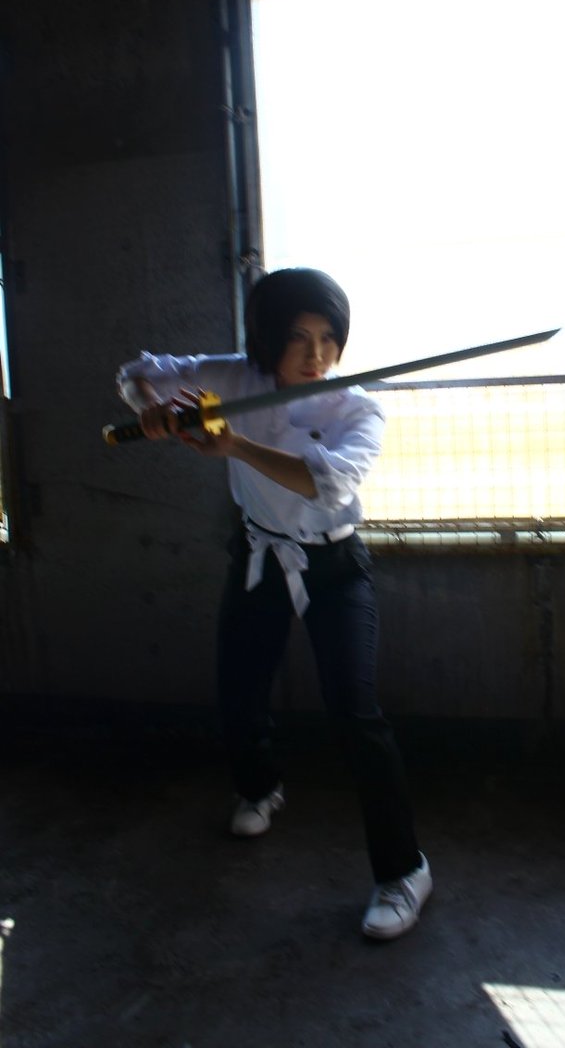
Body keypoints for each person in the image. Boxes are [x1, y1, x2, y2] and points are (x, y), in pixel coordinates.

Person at [116, 267, 432, 940]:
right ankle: (260, 788)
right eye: (297, 338)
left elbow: (330, 485)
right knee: (238, 688)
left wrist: (233, 445)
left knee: (355, 713)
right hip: (259, 554)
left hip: (334, 567)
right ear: (266, 339)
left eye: (328, 337)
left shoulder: (358, 408)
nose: (317, 355)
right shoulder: (235, 377)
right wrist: (150, 406)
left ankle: (405, 871)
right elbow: (140, 370)